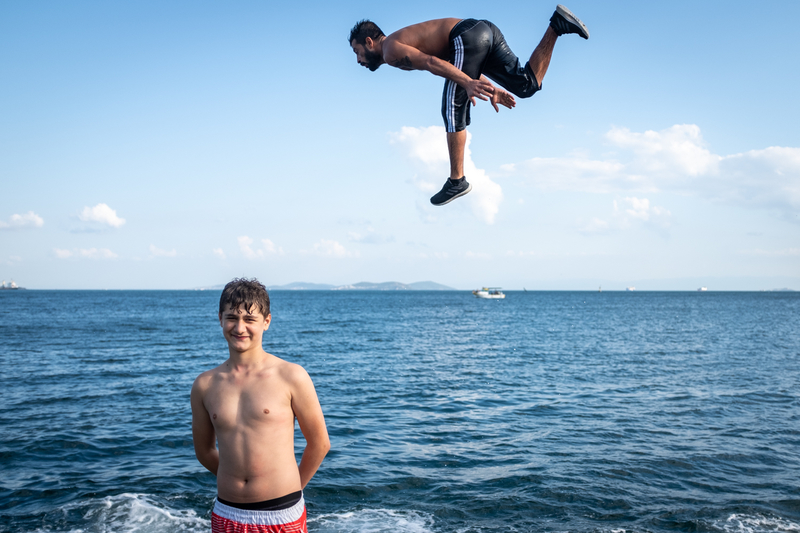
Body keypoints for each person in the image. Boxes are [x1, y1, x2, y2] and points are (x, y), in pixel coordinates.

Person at [349, 5, 589, 206]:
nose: (358, 59)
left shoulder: (391, 49)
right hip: (481, 32)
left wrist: (467, 83)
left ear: (369, 42)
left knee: (452, 108)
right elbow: (450, 63)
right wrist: (490, 88)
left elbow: (433, 62)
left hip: (466, 35)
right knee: (526, 85)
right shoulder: (398, 45)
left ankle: (456, 181)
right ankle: (557, 25)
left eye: (357, 51)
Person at [191, 278, 330, 533]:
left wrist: (292, 487)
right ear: (220, 318)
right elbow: (204, 450)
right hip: (227, 512)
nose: (240, 327)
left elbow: (320, 443)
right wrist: (234, 475)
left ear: (266, 322)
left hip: (281, 513)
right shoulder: (205, 385)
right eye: (232, 317)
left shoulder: (291, 376)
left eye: (250, 319)